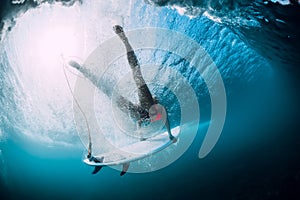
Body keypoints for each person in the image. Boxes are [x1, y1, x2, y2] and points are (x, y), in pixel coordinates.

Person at [112, 25, 176, 142]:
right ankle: (124, 39)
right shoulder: (158, 109)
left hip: (141, 109)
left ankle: (87, 73)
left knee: (116, 98)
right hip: (146, 103)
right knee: (137, 73)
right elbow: (166, 120)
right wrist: (170, 135)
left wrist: (141, 137)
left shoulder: (146, 117)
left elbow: (140, 123)